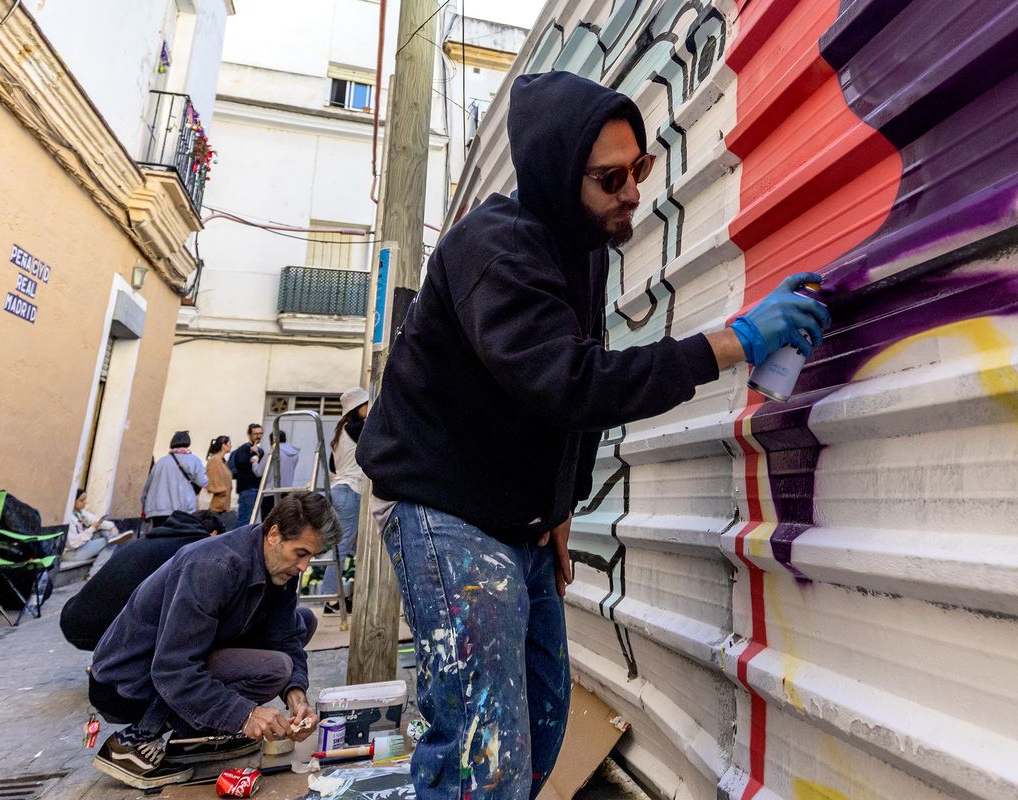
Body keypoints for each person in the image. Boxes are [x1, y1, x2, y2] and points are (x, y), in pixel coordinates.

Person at [356, 71, 831, 800]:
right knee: (483, 759)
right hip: (440, 508)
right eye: (611, 178)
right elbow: (573, 381)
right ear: (554, 174)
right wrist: (733, 340)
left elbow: (557, 403)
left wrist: (556, 504)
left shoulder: (580, 244)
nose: (634, 192)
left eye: (639, 169)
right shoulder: (495, 252)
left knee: (543, 727)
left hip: (512, 517)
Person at [88, 492, 339, 790]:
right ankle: (135, 740)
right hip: (124, 684)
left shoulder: (278, 566)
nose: (304, 567)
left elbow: (284, 636)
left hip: (174, 664)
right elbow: (173, 668)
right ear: (274, 534)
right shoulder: (214, 566)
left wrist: (297, 696)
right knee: (275, 668)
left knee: (302, 622)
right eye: (301, 553)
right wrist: (245, 715)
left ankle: (195, 736)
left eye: (311, 556)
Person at [60, 508, 315, 653]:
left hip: (74, 619)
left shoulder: (156, 538)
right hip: (114, 637)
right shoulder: (201, 555)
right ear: (214, 534)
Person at [318, 387, 367, 611]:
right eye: (367, 404)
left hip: (338, 489)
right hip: (350, 491)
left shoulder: (341, 432)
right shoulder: (359, 428)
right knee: (343, 545)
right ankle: (330, 598)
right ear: (357, 409)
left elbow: (331, 466)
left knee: (349, 546)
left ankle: (339, 595)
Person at [61, 489, 134, 577]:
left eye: (85, 499)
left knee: (105, 531)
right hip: (71, 553)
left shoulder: (81, 513)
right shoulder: (68, 518)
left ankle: (114, 536)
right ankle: (94, 573)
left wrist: (112, 527)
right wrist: (92, 528)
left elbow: (96, 521)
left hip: (83, 545)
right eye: (81, 500)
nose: (85, 502)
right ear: (73, 501)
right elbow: (73, 543)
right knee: (110, 543)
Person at [141, 431, 206, 528]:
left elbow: (147, 489)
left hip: (158, 511)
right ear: (188, 443)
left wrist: (146, 506)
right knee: (177, 539)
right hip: (182, 510)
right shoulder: (194, 460)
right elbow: (202, 481)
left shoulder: (160, 462)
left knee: (160, 538)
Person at [253, 430, 300, 518]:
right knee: (283, 521)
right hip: (286, 491)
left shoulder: (271, 453)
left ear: (272, 440)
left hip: (270, 491)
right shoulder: (294, 453)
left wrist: (254, 462)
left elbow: (259, 472)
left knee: (269, 522)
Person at [229, 423, 264, 527]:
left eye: (260, 433)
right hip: (247, 489)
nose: (258, 436)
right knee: (245, 520)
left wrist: (257, 453)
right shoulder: (243, 449)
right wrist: (251, 458)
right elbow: (241, 465)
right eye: (255, 434)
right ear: (249, 435)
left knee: (249, 519)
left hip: (254, 489)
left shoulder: (259, 450)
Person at [204, 436, 237, 531]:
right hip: (216, 504)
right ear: (223, 445)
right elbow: (211, 478)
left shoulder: (222, 461)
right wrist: (221, 490)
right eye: (229, 443)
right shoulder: (215, 460)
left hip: (222, 504)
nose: (231, 445)